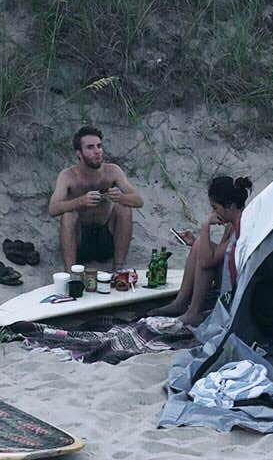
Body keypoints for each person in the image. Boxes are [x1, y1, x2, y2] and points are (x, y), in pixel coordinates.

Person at [48, 125, 144, 271]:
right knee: (68, 216)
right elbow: (53, 209)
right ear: (79, 153)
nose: (97, 151)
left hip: (106, 237)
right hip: (80, 241)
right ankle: (71, 272)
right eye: (90, 147)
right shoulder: (68, 176)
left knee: (123, 208)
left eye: (99, 146)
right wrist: (80, 201)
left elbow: (138, 201)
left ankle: (118, 268)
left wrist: (121, 197)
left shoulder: (112, 171)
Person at [162, 175, 253, 326]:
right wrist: (196, 243)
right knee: (199, 245)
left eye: (215, 208)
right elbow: (222, 253)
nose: (213, 213)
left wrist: (205, 226)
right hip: (230, 274)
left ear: (230, 206)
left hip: (239, 285)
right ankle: (181, 302)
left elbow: (208, 261)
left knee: (204, 254)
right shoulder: (232, 224)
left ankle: (193, 312)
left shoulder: (244, 225)